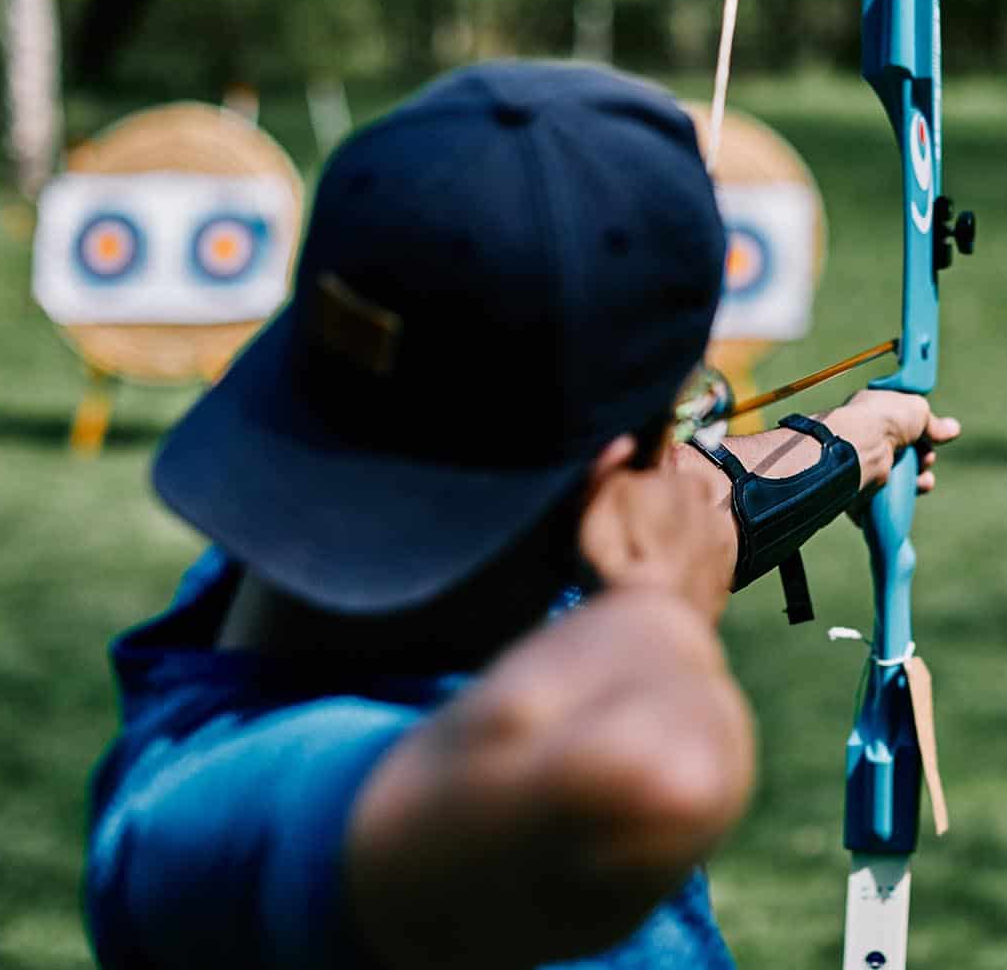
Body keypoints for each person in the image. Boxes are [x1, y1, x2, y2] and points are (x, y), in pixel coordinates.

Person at [82, 61, 961, 970]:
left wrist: (853, 439)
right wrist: (660, 607)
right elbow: (651, 777)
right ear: (606, 486)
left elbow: (686, 511)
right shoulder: (222, 812)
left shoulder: (282, 580)